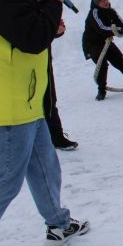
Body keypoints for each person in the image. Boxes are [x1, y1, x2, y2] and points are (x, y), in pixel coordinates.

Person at [0, 0, 89, 246]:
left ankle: (59, 225)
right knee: (5, 182)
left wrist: (46, 15)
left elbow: (24, 36)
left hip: (24, 103)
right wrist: (51, 4)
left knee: (43, 166)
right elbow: (32, 39)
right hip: (6, 107)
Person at [45, 18, 78, 151]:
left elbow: (39, 31)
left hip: (42, 62)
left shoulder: (39, 3)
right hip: (17, 65)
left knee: (49, 100)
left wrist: (55, 30)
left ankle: (56, 137)